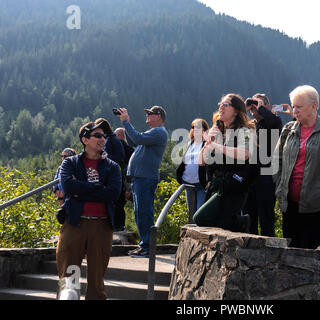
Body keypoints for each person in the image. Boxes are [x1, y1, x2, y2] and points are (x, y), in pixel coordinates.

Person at [272, 85, 320, 249]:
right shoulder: (288, 130)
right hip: (290, 205)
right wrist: (280, 185)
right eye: (293, 106)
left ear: (314, 106)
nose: (295, 111)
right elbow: (276, 160)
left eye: (299, 106)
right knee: (292, 253)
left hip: (319, 205)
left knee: (317, 253)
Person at [57, 120, 122, 300]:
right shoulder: (70, 163)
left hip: (102, 228)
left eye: (105, 136)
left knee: (96, 284)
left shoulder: (112, 166)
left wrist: (82, 189)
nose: (103, 139)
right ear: (85, 140)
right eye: (98, 135)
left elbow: (113, 193)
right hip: (74, 224)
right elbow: (68, 187)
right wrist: (99, 188)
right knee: (69, 279)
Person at [193, 93, 257, 233]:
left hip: (234, 185)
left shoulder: (245, 131)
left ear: (236, 111)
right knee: (213, 223)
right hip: (217, 184)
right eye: (220, 104)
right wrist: (208, 143)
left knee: (201, 218)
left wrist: (216, 146)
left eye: (226, 104)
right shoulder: (217, 132)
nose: (221, 106)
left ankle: (241, 222)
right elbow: (201, 161)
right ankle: (241, 223)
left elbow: (244, 154)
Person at [116, 106, 168, 258]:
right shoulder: (154, 132)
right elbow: (134, 141)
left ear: (158, 116)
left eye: (150, 114)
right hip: (141, 177)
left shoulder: (158, 131)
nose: (147, 116)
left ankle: (148, 247)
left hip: (145, 177)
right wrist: (126, 126)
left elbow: (137, 138)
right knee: (140, 213)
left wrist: (126, 122)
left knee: (145, 212)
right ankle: (144, 245)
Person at [242, 93, 282, 236]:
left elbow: (275, 122)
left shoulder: (273, 123)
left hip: (266, 176)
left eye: (258, 104)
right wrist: (244, 109)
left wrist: (261, 110)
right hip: (250, 177)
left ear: (266, 107)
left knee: (266, 218)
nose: (255, 108)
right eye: (254, 104)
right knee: (248, 217)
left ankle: (269, 253)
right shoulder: (250, 125)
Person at [175, 118, 209, 223]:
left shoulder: (207, 144)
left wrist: (209, 179)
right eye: (193, 127)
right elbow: (183, 163)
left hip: (201, 184)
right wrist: (180, 178)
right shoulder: (189, 144)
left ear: (204, 130)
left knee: (200, 213)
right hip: (188, 184)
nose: (195, 129)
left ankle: (202, 237)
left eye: (198, 127)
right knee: (191, 214)